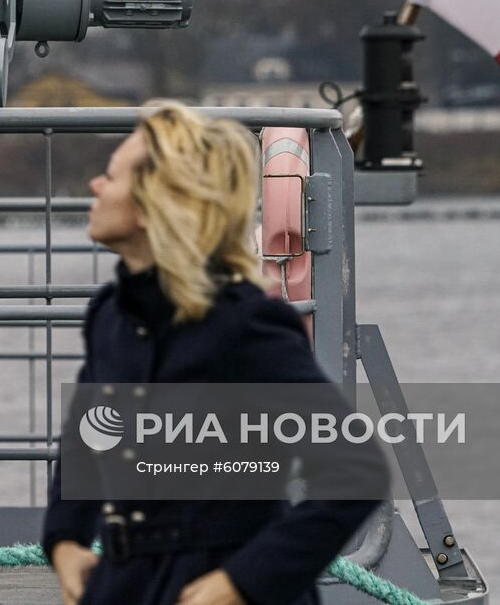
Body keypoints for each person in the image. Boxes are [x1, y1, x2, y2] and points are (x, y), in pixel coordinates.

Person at [43, 103, 390, 605]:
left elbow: (355, 471)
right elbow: (86, 436)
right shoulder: (111, 316)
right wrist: (66, 538)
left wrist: (239, 583)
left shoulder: (246, 326)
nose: (96, 187)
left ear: (150, 205)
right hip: (127, 583)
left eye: (111, 177)